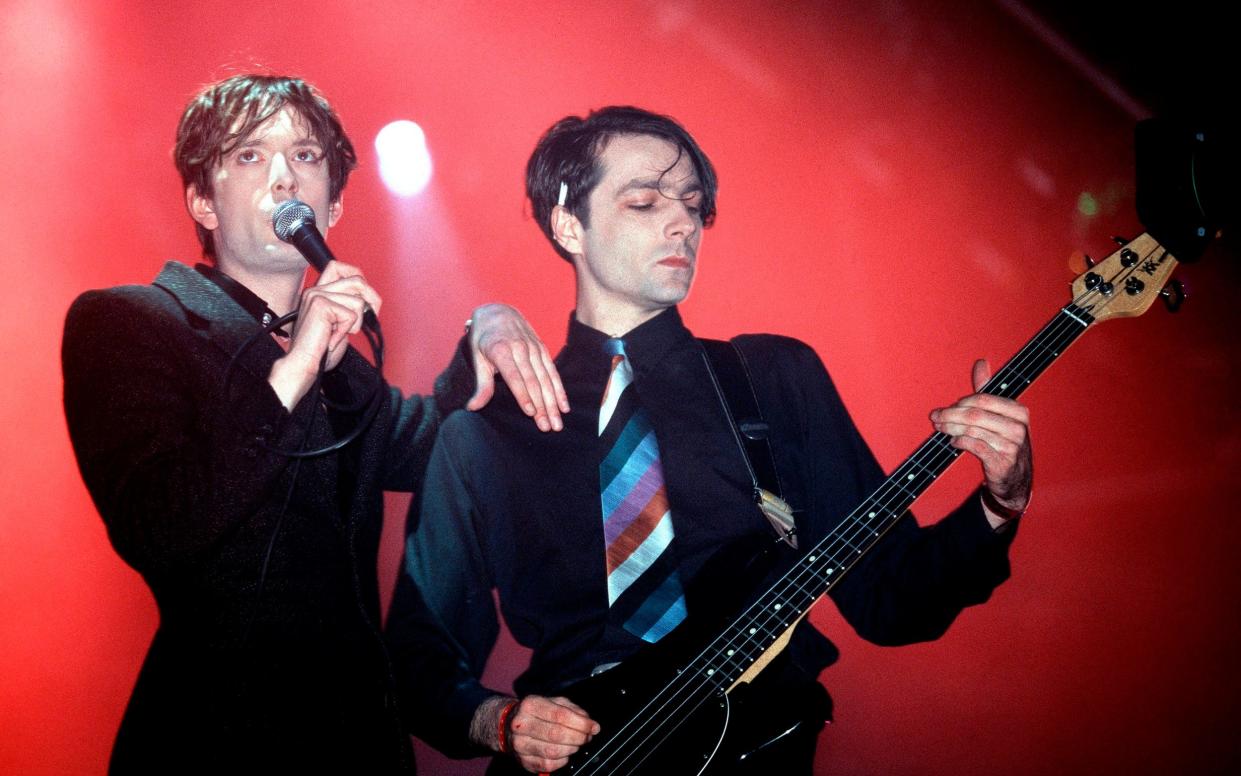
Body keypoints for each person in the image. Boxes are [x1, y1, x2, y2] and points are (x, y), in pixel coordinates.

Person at [387, 106, 1032, 774]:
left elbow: (891, 601)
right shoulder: (487, 433)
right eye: (642, 202)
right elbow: (418, 657)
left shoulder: (770, 378)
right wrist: (499, 722)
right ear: (567, 224)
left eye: (692, 205)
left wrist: (1000, 502)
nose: (680, 222)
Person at [61, 74, 568, 774]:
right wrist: (295, 367)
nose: (282, 177)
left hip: (357, 745)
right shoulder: (131, 321)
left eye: (304, 156)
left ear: (333, 201)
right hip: (214, 741)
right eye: (247, 155)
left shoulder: (344, 370)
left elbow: (436, 445)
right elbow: (158, 523)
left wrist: (487, 322)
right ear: (201, 200)